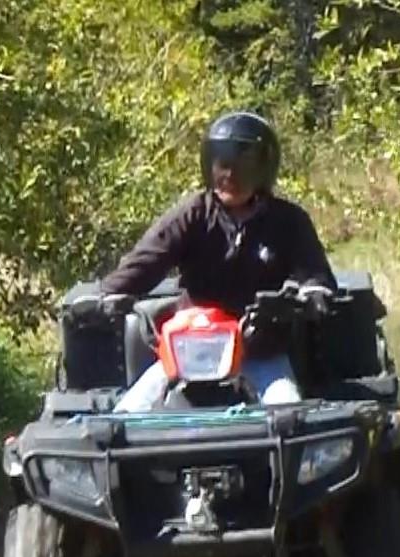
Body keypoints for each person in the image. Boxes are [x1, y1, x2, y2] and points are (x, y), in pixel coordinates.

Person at [100, 111, 337, 412]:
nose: (230, 177)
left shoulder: (288, 221)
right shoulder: (192, 215)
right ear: (209, 166)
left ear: (263, 170)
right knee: (127, 415)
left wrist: (312, 294)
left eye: (243, 167)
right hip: (189, 351)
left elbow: (315, 274)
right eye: (222, 166)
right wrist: (109, 294)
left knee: (288, 412)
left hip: (259, 350)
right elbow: (146, 261)